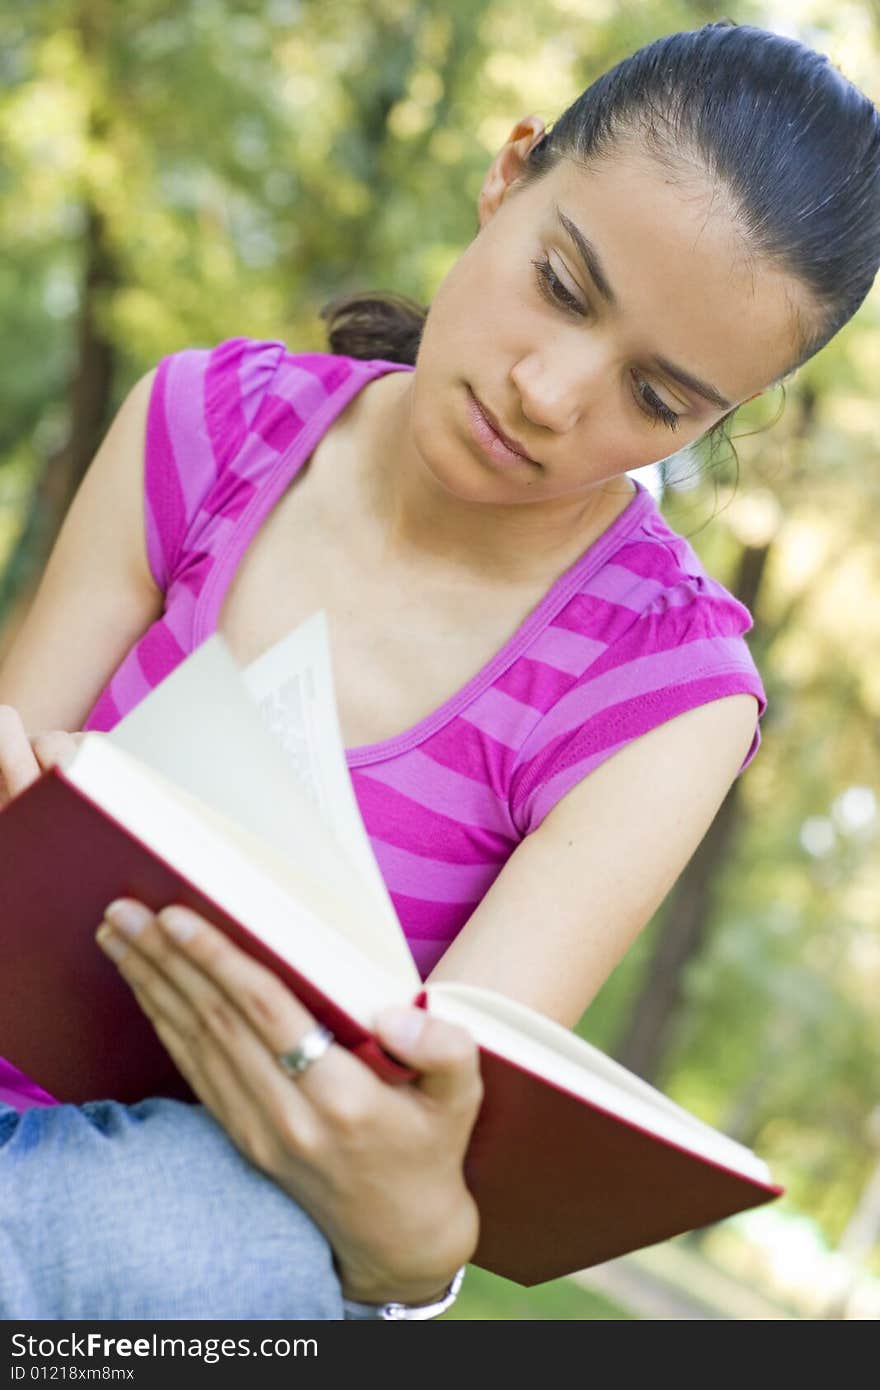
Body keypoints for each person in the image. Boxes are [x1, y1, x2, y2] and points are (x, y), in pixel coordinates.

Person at [1, 19, 878, 1320]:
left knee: (233, 1245)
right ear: (509, 174)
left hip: (196, 1211)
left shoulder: (664, 690)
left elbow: (414, 1185)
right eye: (565, 285)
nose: (549, 391)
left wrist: (414, 1231)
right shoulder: (204, 424)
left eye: (658, 398)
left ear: (716, 418)